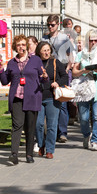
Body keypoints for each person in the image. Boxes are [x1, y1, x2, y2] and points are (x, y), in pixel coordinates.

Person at [0, 34, 46, 165]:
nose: (21, 47)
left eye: (23, 44)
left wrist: (45, 77)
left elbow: (42, 78)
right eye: (18, 45)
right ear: (15, 47)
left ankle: (29, 154)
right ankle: (13, 154)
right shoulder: (12, 63)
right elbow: (4, 81)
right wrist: (1, 70)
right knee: (16, 126)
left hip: (32, 97)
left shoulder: (35, 60)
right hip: (17, 99)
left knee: (30, 127)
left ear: (27, 47)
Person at [72, 29, 97, 151]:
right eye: (91, 40)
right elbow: (74, 72)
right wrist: (83, 70)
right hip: (84, 85)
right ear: (87, 41)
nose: (93, 42)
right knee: (83, 117)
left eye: (95, 40)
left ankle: (95, 141)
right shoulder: (80, 54)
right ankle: (87, 135)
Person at [41, 14, 74, 143]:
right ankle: (51, 131)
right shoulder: (44, 38)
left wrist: (66, 70)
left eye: (52, 25)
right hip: (48, 71)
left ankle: (62, 132)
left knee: (62, 102)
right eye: (48, 24)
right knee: (50, 101)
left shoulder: (64, 38)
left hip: (61, 69)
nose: (50, 27)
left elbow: (70, 55)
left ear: (57, 25)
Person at [35, 41, 68, 159]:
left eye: (48, 50)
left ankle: (49, 150)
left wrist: (57, 83)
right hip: (37, 97)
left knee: (51, 125)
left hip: (52, 98)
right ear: (39, 51)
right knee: (38, 124)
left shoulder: (55, 62)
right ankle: (41, 145)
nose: (46, 52)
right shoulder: (35, 63)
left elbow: (65, 76)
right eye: (44, 50)